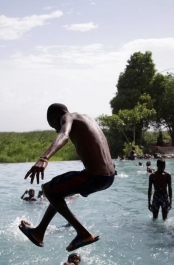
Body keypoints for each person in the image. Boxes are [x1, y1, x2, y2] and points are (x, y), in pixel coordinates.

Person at [19, 104, 115, 252]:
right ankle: (38, 233)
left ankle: (83, 234)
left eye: (53, 126)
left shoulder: (67, 117)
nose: (56, 129)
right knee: (56, 192)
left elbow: (63, 134)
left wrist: (44, 158)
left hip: (94, 175)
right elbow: (103, 142)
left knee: (47, 189)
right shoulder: (88, 119)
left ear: (56, 117)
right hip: (109, 176)